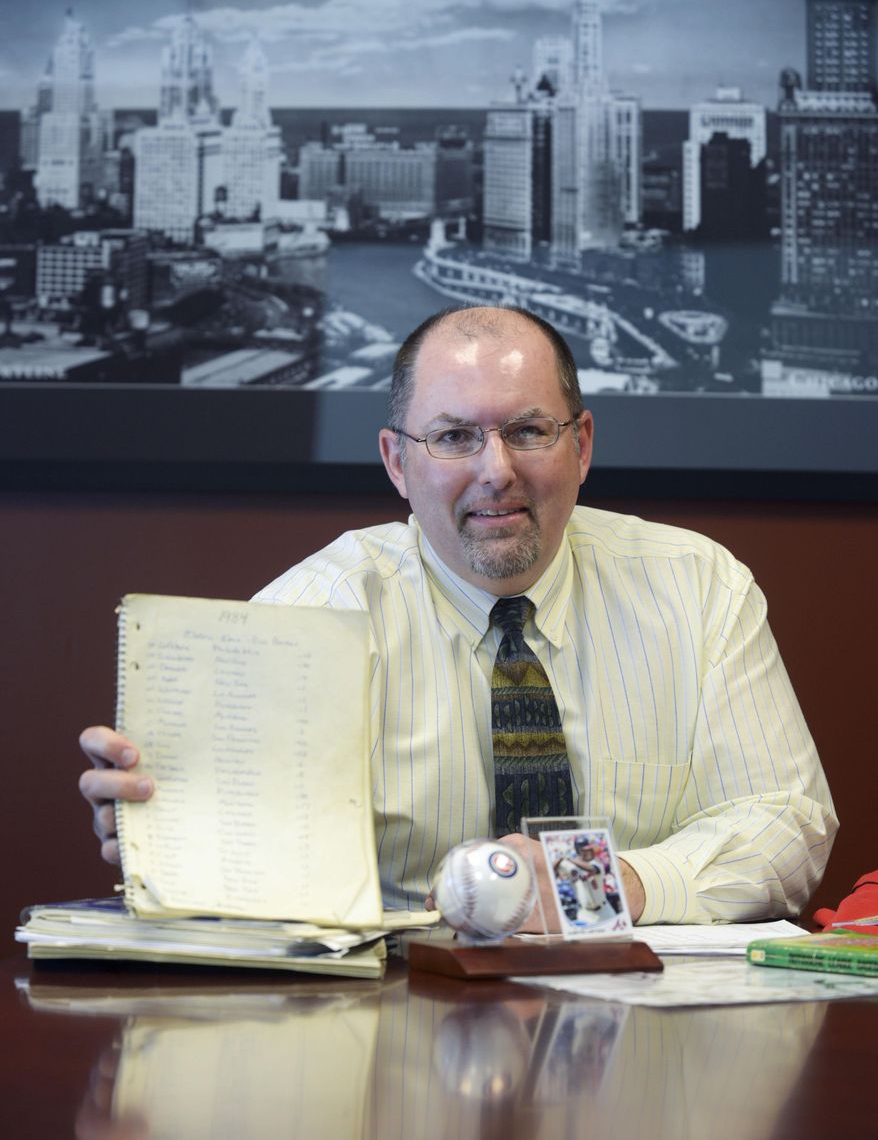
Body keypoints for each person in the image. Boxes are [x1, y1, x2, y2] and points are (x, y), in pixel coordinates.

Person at [79, 304, 837, 925]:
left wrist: (593, 887)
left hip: (647, 1039)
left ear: (582, 445)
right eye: (453, 436)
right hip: (384, 1051)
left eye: (529, 430)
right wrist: (174, 836)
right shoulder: (308, 616)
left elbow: (786, 821)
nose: (495, 469)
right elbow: (248, 873)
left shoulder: (698, 587)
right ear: (396, 463)